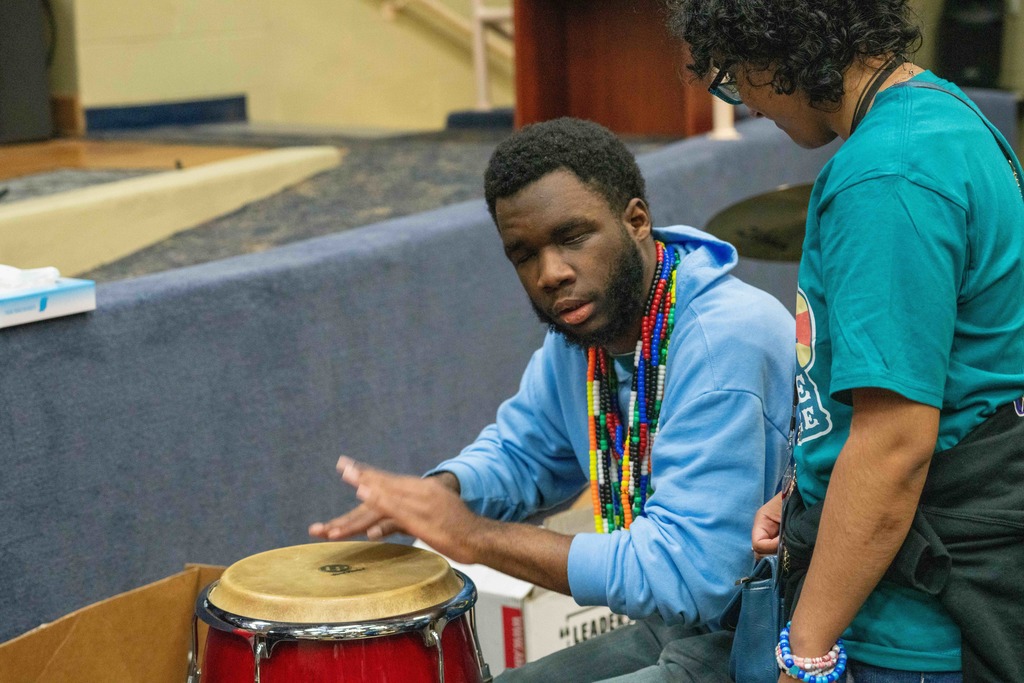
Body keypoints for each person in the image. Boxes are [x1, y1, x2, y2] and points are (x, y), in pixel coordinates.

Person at [309, 117, 795, 682]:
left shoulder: (723, 342)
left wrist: (474, 537)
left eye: (572, 237)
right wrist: (442, 490)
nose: (551, 273)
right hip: (680, 630)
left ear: (636, 220)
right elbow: (525, 454)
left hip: (767, 645)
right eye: (524, 253)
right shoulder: (586, 336)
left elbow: (686, 575)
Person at [666, 2, 1024, 682]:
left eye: (737, 73)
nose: (745, 98)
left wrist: (806, 650)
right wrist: (813, 484)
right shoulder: (942, 111)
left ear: (780, 45)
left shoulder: (886, 176)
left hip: (914, 623)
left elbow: (894, 446)